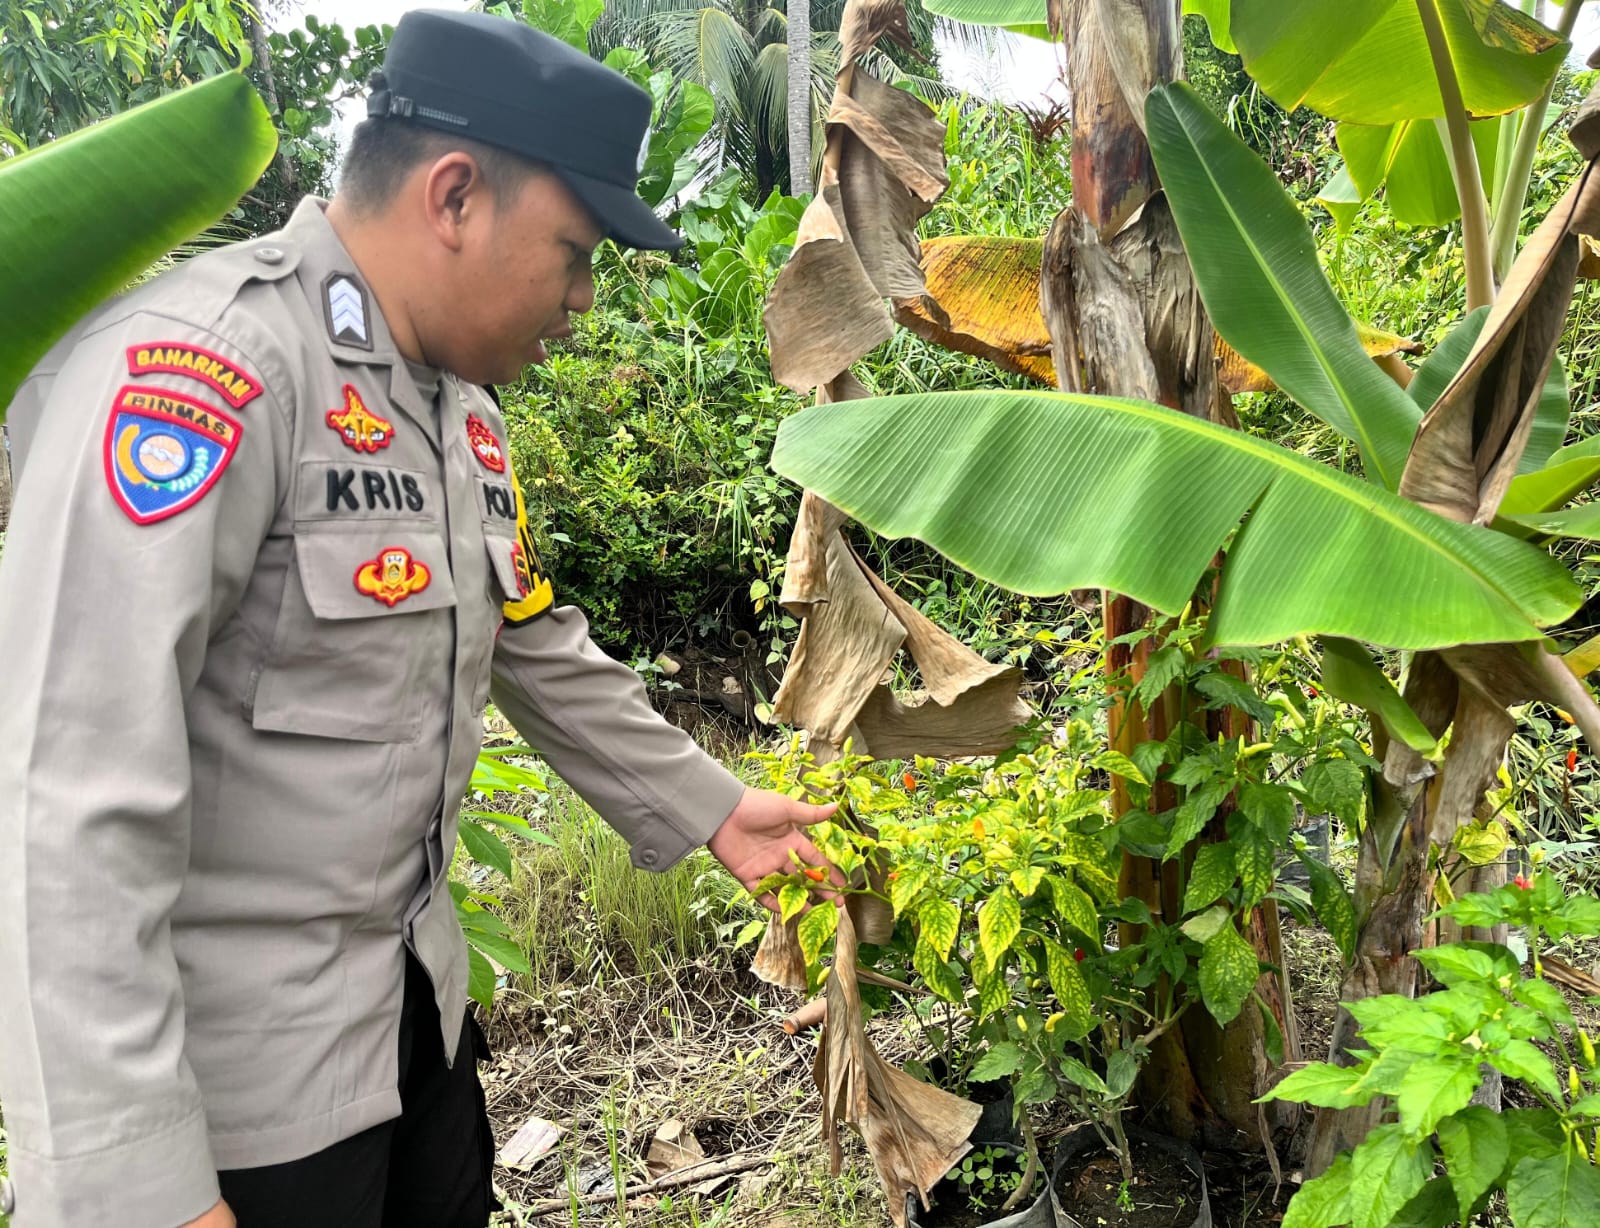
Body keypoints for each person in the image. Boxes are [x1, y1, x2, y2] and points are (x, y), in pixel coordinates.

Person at [0, 11, 839, 1228]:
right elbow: (61, 802)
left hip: (411, 1033)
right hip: (233, 1112)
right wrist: (135, 1190)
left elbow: (531, 640)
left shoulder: (457, 407)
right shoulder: (203, 372)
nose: (585, 297)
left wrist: (715, 810)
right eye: (575, 249)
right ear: (455, 196)